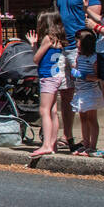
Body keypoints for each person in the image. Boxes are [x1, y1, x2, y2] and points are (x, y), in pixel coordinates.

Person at [53, 0, 100, 151]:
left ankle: (88, 141)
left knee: (83, 91)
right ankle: (68, 136)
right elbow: (57, 16)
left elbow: (94, 16)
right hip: (63, 46)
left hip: (79, 47)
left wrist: (85, 45)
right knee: (65, 92)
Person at [27, 9, 67, 157]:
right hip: (56, 76)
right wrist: (34, 44)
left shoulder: (47, 39)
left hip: (47, 77)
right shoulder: (58, 39)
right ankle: (53, 144)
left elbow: (36, 59)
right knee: (53, 111)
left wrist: (33, 46)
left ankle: (46, 145)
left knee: (44, 110)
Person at [68, 28, 104, 156]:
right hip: (80, 91)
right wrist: (74, 73)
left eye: (78, 41)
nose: (76, 43)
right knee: (83, 118)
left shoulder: (93, 58)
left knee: (91, 119)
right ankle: (86, 144)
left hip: (90, 92)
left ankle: (92, 147)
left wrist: (84, 76)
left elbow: (98, 76)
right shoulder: (79, 56)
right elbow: (77, 69)